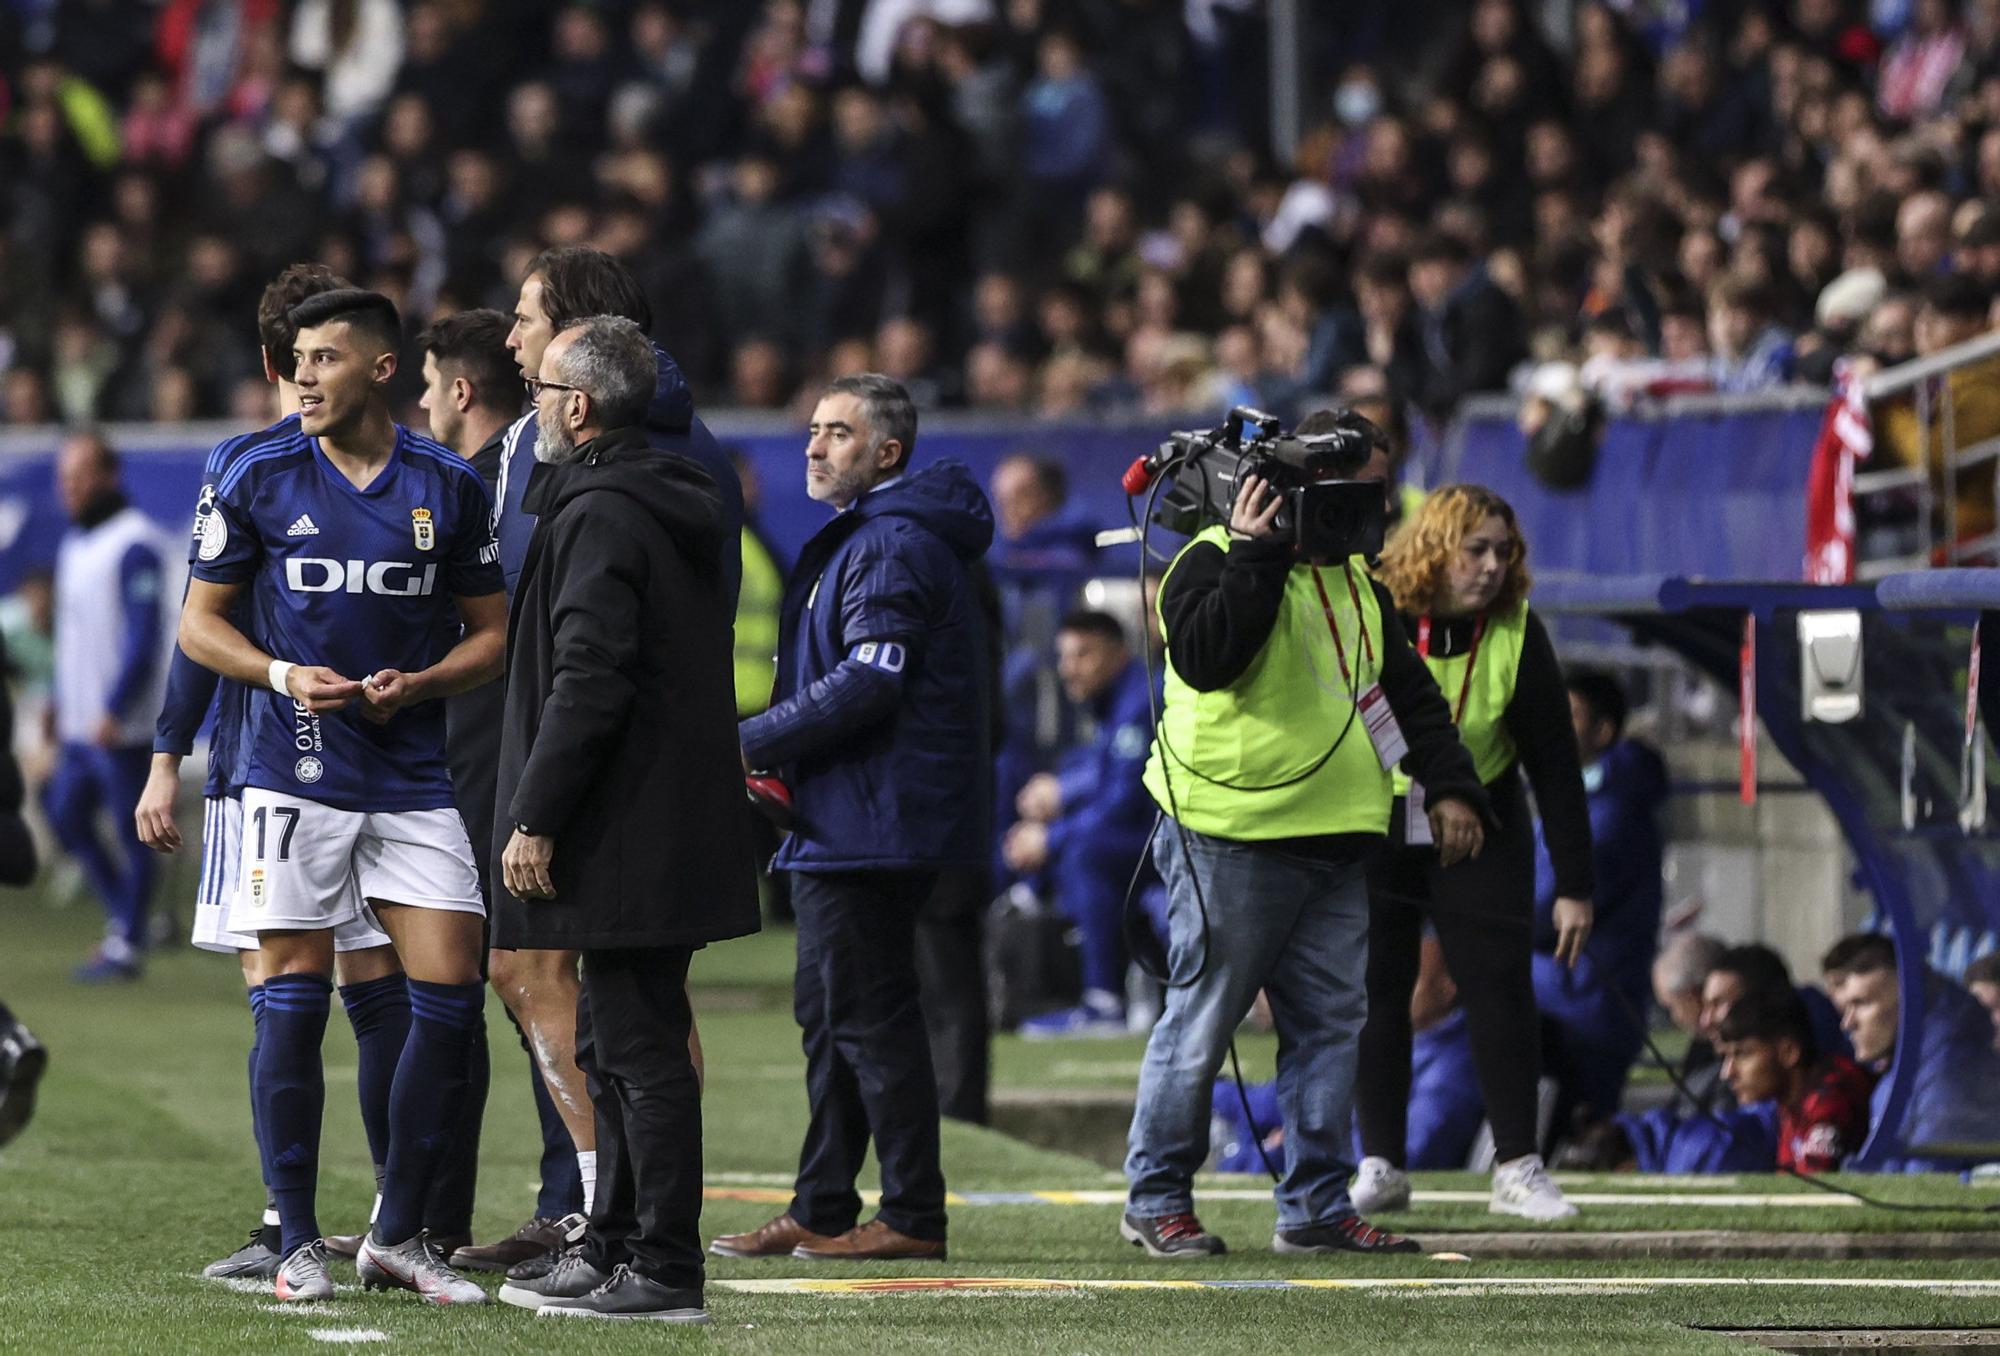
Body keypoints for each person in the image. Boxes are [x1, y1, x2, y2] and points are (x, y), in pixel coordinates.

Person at [178, 287, 505, 1305]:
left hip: (409, 772)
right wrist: (280, 675)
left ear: (382, 368)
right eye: (297, 359)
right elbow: (200, 626)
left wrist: (425, 681)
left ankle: (397, 1235)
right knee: (291, 996)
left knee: (447, 997)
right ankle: (292, 1242)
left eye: (323, 358)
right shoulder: (254, 468)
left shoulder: (448, 486)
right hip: (291, 762)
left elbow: (491, 635)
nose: (301, 375)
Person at [1124, 407, 1489, 1259]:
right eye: (1345, 497)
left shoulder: (1355, 583)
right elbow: (1212, 659)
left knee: (1332, 1030)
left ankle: (1316, 1208)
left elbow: (1408, 697)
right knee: (1203, 1023)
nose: (1364, 516)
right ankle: (1155, 1198)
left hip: (1336, 840)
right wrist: (1255, 553)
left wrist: (1451, 785)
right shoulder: (1204, 562)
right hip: (1229, 835)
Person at [136, 262, 421, 1282]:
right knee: (381, 982)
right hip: (377, 757)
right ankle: (390, 1213)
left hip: (278, 763)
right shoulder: (297, 464)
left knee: (287, 982)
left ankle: (295, 1221)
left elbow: (194, 633)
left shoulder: (248, 461)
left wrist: (167, 756)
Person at [489, 315, 758, 1322]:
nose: (533, 404)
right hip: (653, 818)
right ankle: (609, 1247)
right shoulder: (651, 498)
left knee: (639, 1051)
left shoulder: (603, 512)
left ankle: (664, 1268)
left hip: (624, 824)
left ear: (579, 405)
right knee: (610, 1038)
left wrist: (535, 814)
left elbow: (589, 680)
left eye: (543, 387)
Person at [713, 374, 993, 1265]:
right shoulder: (874, 537)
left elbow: (873, 678)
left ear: (887, 452)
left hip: (873, 819)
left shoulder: (890, 545)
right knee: (832, 1016)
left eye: (837, 432)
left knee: (870, 1016)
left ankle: (912, 1212)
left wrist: (747, 742)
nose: (813, 446)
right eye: (813, 429)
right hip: (853, 816)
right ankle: (825, 1203)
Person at [1354, 484, 1594, 1223]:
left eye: (1505, 551)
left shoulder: (1518, 632)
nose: (1492, 567)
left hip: (1483, 821)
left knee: (1499, 989)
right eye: (1476, 549)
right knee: (1379, 993)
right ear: (1433, 549)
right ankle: (1381, 1163)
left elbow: (1555, 765)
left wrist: (1575, 886)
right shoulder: (1380, 614)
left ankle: (1518, 1165)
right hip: (1382, 817)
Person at [407, 306, 539, 1273]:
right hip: (485, 759)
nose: (418, 402)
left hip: (495, 763)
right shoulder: (502, 478)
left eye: (426, 383)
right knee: (494, 984)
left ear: (460, 390)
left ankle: (574, 1207)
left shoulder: (489, 488)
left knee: (531, 984)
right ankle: (429, 1212)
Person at [47, 432, 175, 981]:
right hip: (80, 724)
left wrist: (115, 705)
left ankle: (127, 940)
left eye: (78, 476)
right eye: (63, 478)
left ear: (108, 477)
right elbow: (75, 636)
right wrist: (59, 698)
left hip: (119, 726)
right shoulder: (75, 544)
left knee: (134, 829)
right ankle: (132, 918)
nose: (68, 488)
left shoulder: (134, 543)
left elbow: (143, 639)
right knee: (64, 812)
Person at [1004, 609, 1157, 1037]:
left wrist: (1050, 837)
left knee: (1085, 850)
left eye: (1083, 655)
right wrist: (1060, 789)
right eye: (1065, 656)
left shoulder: (1139, 698)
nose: (1069, 669)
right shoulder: (1112, 699)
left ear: (1116, 653)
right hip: (1144, 833)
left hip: (1169, 838)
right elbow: (1103, 768)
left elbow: (1126, 799)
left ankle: (1104, 1000)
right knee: (1067, 836)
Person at [1534, 668, 1666, 1130]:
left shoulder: (1610, 813)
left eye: (1567, 714)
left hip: (1581, 1004)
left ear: (1603, 731)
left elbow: (1540, 907)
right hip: (1571, 995)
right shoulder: (1588, 801)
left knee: (1573, 1131)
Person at [1821, 933, 2000, 1173]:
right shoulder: (1899, 1069)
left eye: (1862, 1004)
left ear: (1908, 1004)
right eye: (1847, 1008)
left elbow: (1927, 1186)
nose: (1848, 1023)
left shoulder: (1951, 1071)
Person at [1714, 988, 1875, 1174]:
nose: (1727, 1073)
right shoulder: (1791, 1103)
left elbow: (1811, 1188)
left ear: (1789, 1052)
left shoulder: (1830, 1100)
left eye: (1742, 1054)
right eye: (1725, 1057)